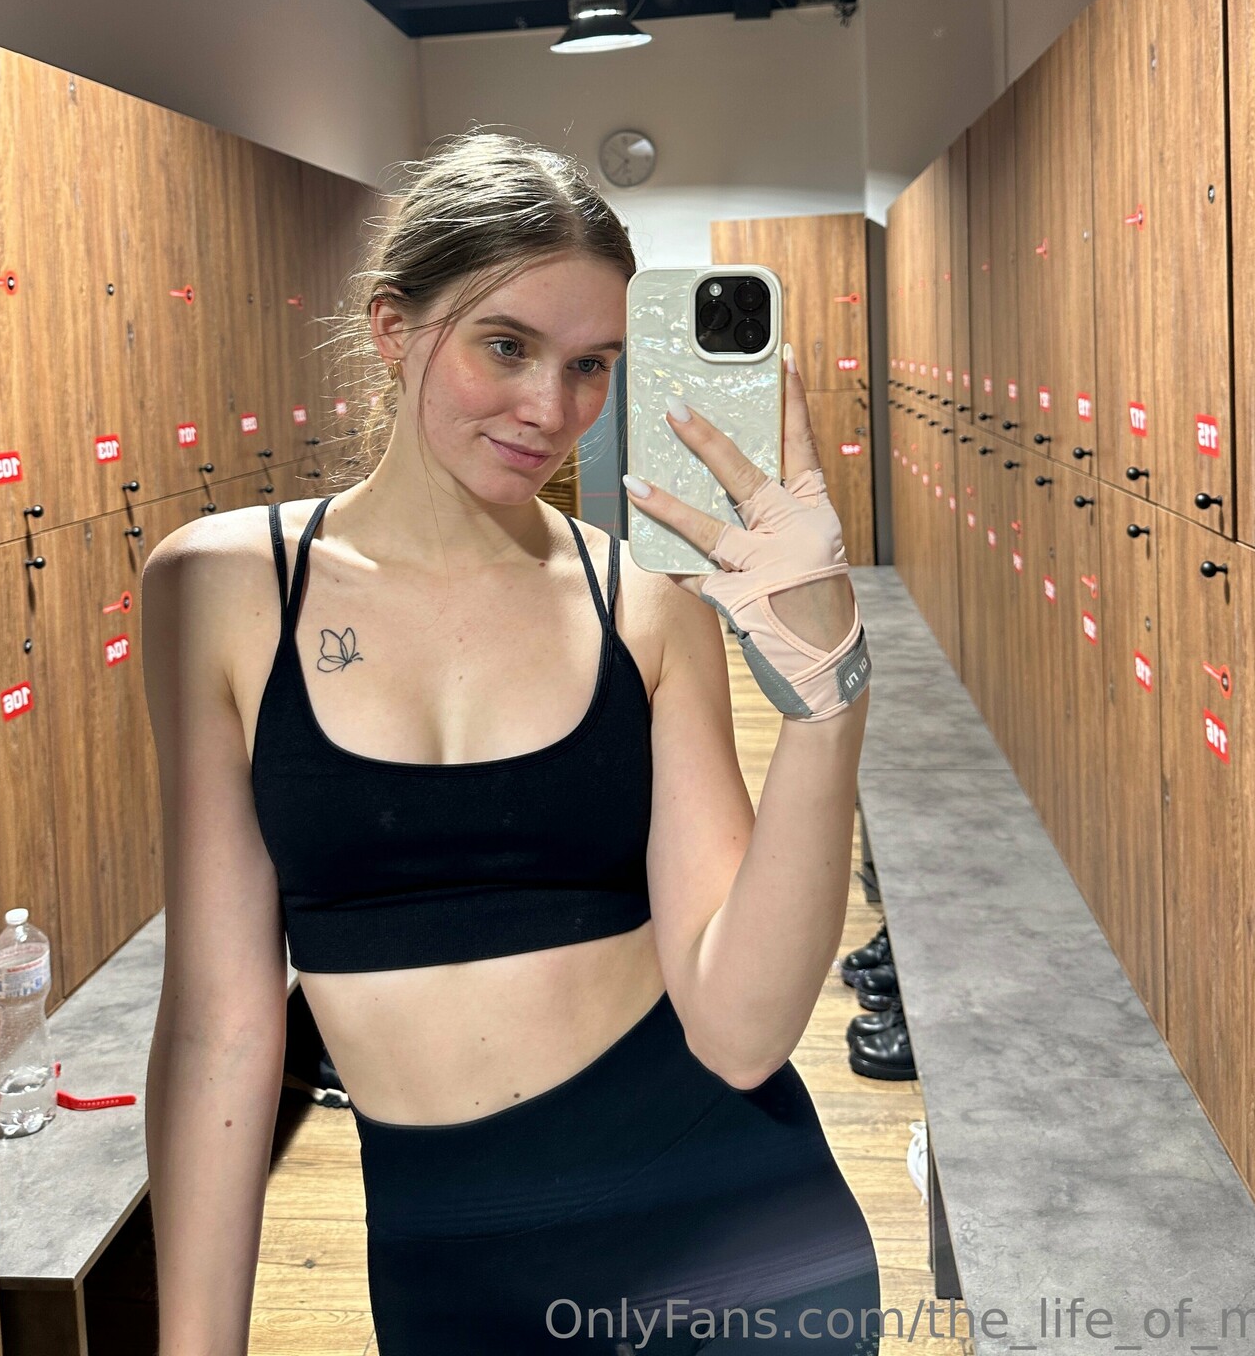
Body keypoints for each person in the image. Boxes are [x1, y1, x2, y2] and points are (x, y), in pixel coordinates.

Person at [141, 130, 881, 1355]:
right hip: (451, 1275)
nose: (551, 409)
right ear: (394, 328)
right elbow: (221, 1026)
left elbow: (743, 1028)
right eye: (507, 346)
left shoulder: (644, 604)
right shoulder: (223, 589)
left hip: (739, 1245)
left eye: (591, 366)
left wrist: (829, 691)